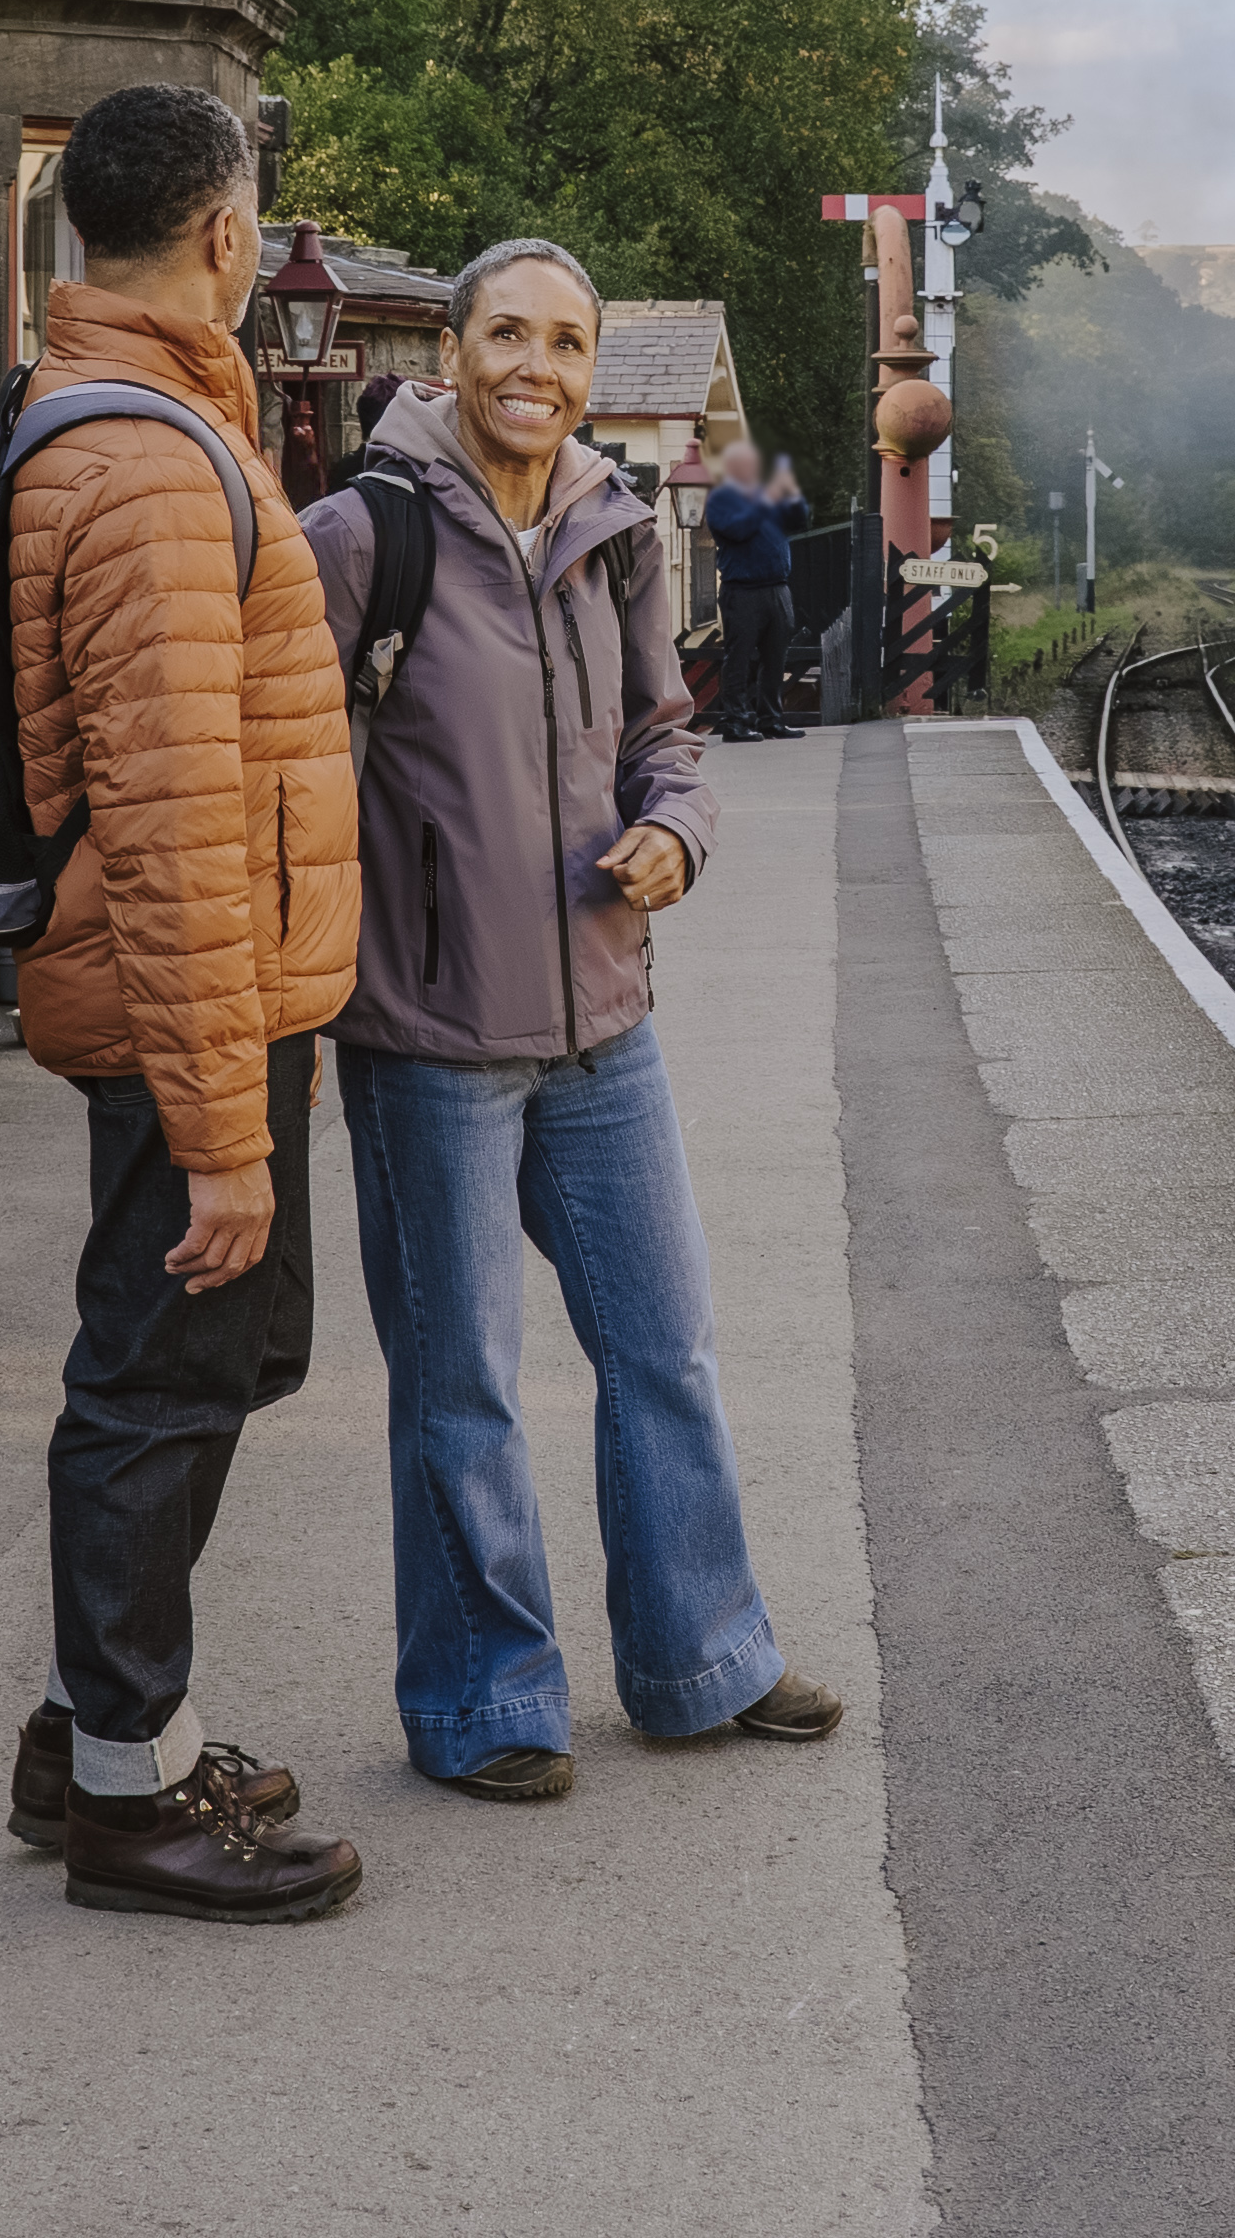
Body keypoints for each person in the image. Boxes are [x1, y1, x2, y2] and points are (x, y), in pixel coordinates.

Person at [309, 241, 840, 1802]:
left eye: (565, 342)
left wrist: (676, 833)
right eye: (507, 334)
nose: (535, 366)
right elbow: (284, 759)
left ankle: (700, 1664)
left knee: (663, 1348)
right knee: (464, 1382)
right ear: (456, 349)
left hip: (608, 1021)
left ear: (595, 368)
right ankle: (489, 1703)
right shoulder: (361, 535)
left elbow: (665, 736)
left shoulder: (618, 536)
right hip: (427, 1037)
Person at [0, 86, 368, 1919]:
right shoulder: (149, 466)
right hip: (190, 1017)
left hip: (191, 1003)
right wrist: (232, 1136)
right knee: (165, 1378)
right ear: (226, 237)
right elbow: (172, 824)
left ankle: (87, 1734)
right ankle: (129, 1807)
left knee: (197, 1366)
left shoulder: (119, 422)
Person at [699, 437, 800, 739]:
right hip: (742, 591)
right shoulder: (721, 499)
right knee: (739, 659)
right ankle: (736, 722)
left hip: (778, 588)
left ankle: (771, 719)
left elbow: (796, 520)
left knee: (775, 659)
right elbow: (738, 530)